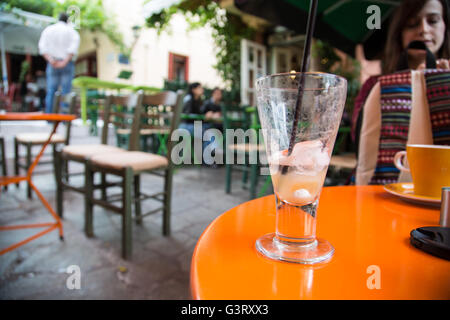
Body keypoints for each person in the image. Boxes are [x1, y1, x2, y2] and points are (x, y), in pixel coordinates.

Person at [352, 0, 450, 145]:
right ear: (398, 32)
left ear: (445, 26)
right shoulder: (375, 85)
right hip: (390, 166)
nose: (424, 29)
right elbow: (361, 140)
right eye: (412, 23)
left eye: (433, 21)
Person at [38, 12, 80, 114]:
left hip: (53, 63)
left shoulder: (48, 30)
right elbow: (73, 49)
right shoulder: (71, 31)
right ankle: (65, 118)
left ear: (58, 19)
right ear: (67, 20)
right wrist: (64, 62)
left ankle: (50, 117)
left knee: (52, 90)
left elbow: (42, 48)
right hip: (67, 63)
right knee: (66, 91)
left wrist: (51, 61)